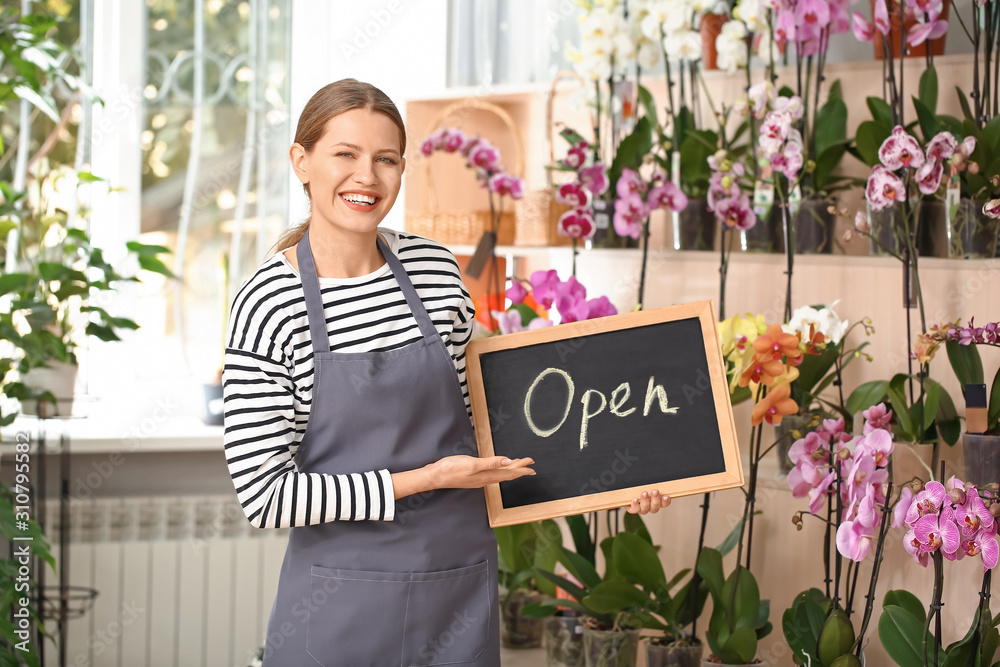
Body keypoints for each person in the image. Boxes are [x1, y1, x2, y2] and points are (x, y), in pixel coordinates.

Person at [222, 78, 671, 667]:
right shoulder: (270, 303)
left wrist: (611, 477)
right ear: (301, 161)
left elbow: (489, 422)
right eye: (345, 155)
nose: (367, 177)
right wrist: (428, 478)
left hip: (458, 589)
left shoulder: (433, 269)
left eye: (386, 159)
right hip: (339, 604)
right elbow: (266, 497)